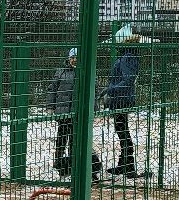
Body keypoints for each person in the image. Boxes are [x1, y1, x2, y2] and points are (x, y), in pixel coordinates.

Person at [48, 48, 101, 177]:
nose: (74, 60)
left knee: (74, 139)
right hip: (63, 112)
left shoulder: (87, 72)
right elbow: (52, 89)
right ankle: (58, 160)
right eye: (72, 57)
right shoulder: (61, 72)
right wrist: (50, 106)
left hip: (79, 113)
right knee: (61, 137)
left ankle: (73, 161)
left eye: (77, 57)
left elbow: (94, 92)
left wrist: (94, 109)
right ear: (69, 58)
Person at [104, 23, 147, 178]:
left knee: (123, 132)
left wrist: (110, 89)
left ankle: (128, 166)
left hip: (122, 99)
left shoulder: (127, 57)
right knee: (122, 130)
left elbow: (128, 79)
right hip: (120, 99)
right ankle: (124, 165)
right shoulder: (127, 56)